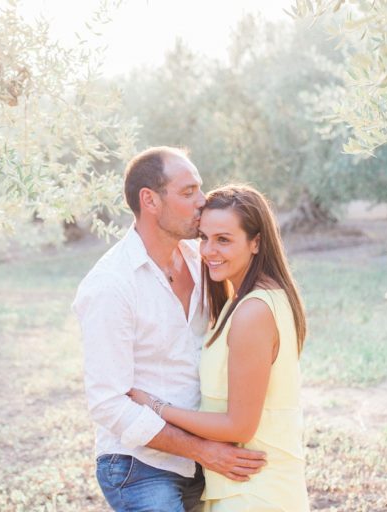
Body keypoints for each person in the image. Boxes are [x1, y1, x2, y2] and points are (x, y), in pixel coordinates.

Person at [73, 148, 267, 512]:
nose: (202, 201)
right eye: (188, 191)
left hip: (206, 458)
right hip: (141, 465)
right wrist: (203, 450)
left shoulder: (202, 260)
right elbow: (108, 403)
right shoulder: (110, 286)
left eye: (200, 189)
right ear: (150, 200)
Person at [128, 184, 310, 511]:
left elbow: (238, 426)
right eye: (204, 238)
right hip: (240, 485)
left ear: (256, 242)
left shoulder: (253, 311)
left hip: (254, 491)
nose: (209, 251)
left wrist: (156, 406)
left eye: (223, 239)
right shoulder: (242, 302)